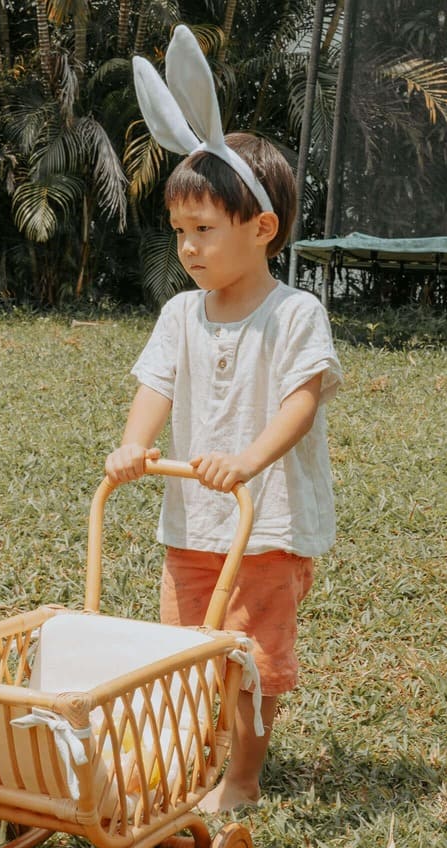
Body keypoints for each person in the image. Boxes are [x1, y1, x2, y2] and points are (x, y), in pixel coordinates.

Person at [105, 114, 343, 812]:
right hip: (192, 523)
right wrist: (134, 444)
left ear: (262, 228)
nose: (188, 246)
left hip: (265, 525)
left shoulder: (295, 314)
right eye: (180, 230)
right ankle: (181, 757)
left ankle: (241, 780)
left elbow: (301, 403)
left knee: (249, 661)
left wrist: (247, 460)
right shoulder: (181, 314)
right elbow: (157, 385)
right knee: (182, 653)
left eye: (204, 229)